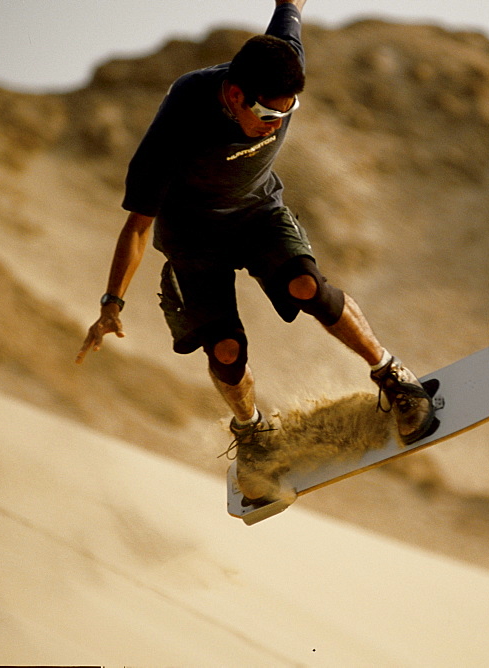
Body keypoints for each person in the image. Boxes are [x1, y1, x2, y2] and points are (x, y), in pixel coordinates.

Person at [75, 0, 435, 503]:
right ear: (235, 94)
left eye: (287, 113)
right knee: (225, 352)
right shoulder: (178, 126)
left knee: (307, 286)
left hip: (257, 210)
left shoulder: (281, 60)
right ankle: (253, 435)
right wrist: (110, 304)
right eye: (266, 113)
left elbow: (290, 4)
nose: (275, 123)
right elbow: (137, 227)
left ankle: (394, 376)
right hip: (191, 236)